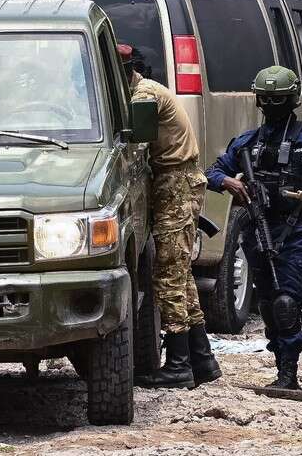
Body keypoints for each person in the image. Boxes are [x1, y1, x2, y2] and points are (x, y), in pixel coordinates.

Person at [206, 66, 302, 390]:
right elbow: (212, 172)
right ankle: (281, 368)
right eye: (268, 100)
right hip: (257, 234)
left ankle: (289, 376)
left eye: (277, 100)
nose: (272, 106)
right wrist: (229, 183)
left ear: (290, 100)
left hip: (295, 233)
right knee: (266, 304)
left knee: (287, 304)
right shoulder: (247, 143)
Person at [121, 44, 221, 389]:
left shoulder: (142, 94)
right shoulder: (137, 90)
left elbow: (133, 144)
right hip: (173, 181)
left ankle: (179, 364)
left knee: (169, 274)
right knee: (180, 273)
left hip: (175, 181)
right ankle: (201, 358)